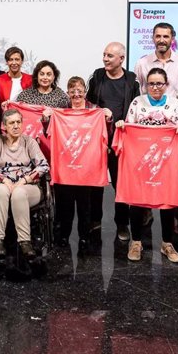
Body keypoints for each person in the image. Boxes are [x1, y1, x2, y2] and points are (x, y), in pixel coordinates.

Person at [117, 67, 178, 263]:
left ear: (166, 85)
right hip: (141, 160)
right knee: (137, 200)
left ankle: (167, 243)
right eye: (151, 83)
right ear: (146, 85)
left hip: (166, 160)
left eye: (159, 83)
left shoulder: (174, 104)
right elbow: (129, 127)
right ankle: (136, 241)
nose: (155, 87)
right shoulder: (138, 102)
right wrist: (123, 126)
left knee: (167, 202)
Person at [42, 76, 112, 253]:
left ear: (85, 92)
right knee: (64, 205)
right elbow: (48, 133)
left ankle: (84, 237)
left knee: (85, 206)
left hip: (86, 169)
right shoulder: (60, 113)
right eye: (72, 91)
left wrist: (108, 118)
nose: (76, 94)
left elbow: (107, 135)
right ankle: (63, 236)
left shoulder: (95, 112)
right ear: (68, 93)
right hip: (65, 168)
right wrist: (46, 118)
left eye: (80, 90)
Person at [87, 42, 141, 242]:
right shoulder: (97, 77)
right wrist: (100, 112)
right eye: (104, 55)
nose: (105, 59)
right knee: (94, 183)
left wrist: (124, 124)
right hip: (98, 139)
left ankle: (122, 224)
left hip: (122, 140)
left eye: (110, 56)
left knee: (121, 185)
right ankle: (95, 220)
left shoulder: (131, 81)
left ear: (121, 59)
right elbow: (89, 104)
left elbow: (136, 109)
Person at [0, 109, 50, 259]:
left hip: (28, 187)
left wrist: (24, 180)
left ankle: (25, 242)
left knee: (19, 193)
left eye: (18, 122)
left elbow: (44, 166)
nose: (15, 126)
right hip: (1, 185)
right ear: (4, 126)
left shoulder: (29, 142)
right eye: (11, 123)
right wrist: (4, 179)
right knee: (1, 191)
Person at [134, 22, 178, 99]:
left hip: (175, 110)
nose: (161, 40)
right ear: (153, 38)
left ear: (172, 39)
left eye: (166, 37)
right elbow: (136, 92)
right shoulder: (141, 63)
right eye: (158, 36)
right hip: (148, 109)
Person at [0, 47, 33, 118]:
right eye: (11, 60)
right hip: (6, 120)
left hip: (26, 119)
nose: (14, 63)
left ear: (22, 61)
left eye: (17, 59)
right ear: (7, 62)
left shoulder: (30, 79)